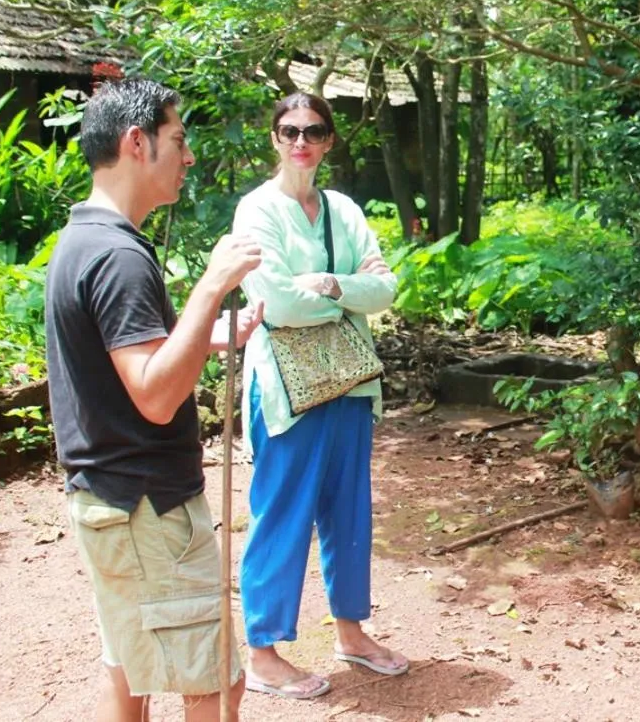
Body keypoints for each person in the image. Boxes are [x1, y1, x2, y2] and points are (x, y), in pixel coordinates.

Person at [46, 78, 265, 722]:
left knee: (130, 671)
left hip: (108, 500)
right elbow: (156, 397)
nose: (189, 155)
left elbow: (127, 363)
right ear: (137, 143)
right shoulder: (118, 257)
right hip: (147, 510)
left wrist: (207, 335)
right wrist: (210, 288)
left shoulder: (83, 239)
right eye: (178, 139)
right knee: (215, 685)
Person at [233, 92, 404, 700]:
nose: (300, 141)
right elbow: (274, 303)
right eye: (288, 131)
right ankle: (262, 651)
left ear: (329, 139)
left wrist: (330, 283)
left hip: (350, 381)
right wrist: (348, 295)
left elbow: (386, 288)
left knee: (348, 507)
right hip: (285, 385)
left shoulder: (343, 209)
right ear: (273, 138)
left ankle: (352, 631)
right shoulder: (256, 211)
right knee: (282, 509)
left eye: (312, 131)